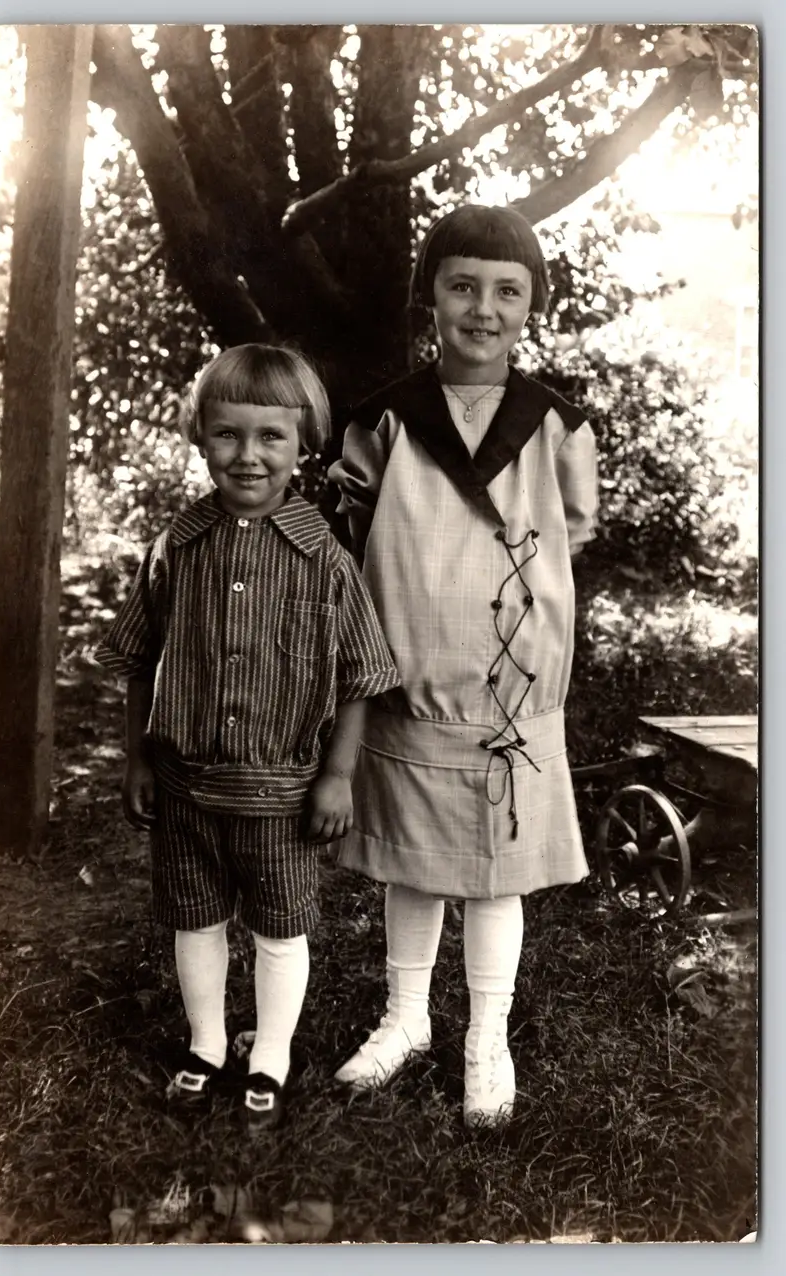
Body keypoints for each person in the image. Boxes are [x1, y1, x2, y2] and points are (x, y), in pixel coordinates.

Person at [328, 204, 599, 1128]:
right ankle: (405, 1018)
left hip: (512, 693)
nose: (483, 309)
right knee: (414, 862)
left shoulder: (557, 426)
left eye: (506, 292)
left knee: (498, 871)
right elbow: (351, 528)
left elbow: (575, 532)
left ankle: (488, 1032)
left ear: (531, 307)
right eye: (462, 286)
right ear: (429, 299)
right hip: (409, 680)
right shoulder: (385, 421)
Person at [95, 343, 400, 1133]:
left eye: (271, 436)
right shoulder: (177, 547)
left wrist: (338, 776)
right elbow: (136, 656)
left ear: (305, 446)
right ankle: (206, 1045)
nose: (249, 455)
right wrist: (137, 755)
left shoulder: (325, 561)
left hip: (281, 794)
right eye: (228, 434)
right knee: (194, 918)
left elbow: (363, 674)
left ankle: (270, 1053)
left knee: (278, 927)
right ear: (200, 437)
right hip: (185, 788)